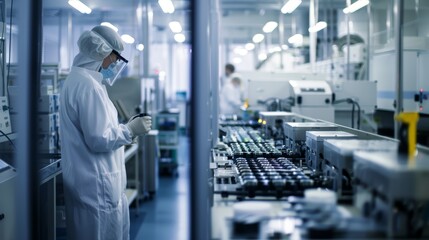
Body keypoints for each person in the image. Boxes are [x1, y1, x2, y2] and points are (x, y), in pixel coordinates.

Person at [59, 25, 151, 240]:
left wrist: (126, 129)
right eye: (115, 57)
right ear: (102, 52)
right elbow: (99, 139)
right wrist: (129, 130)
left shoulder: (81, 81)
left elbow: (99, 130)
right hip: (97, 188)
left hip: (92, 184)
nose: (115, 63)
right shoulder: (87, 86)